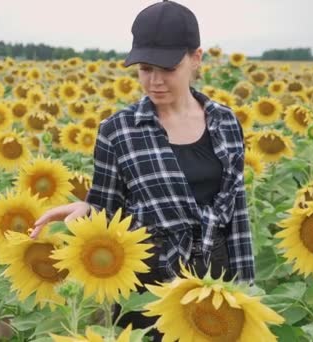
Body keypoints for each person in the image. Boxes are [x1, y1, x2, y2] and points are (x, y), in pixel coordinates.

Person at [31, 0, 255, 339]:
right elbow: (108, 210)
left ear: (196, 59)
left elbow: (237, 216)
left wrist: (247, 291)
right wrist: (86, 208)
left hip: (215, 278)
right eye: (145, 69)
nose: (155, 81)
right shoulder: (118, 130)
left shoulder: (225, 123)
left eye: (167, 68)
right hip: (147, 285)